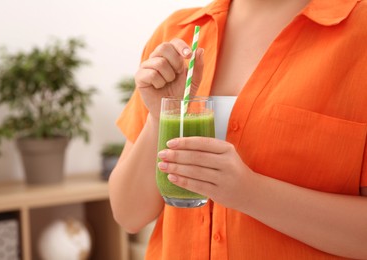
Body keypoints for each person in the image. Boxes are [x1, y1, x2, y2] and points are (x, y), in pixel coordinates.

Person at [109, 0, 367, 258]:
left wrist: (249, 193)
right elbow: (128, 213)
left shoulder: (360, 31)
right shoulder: (178, 32)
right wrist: (159, 118)